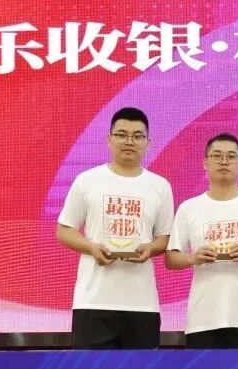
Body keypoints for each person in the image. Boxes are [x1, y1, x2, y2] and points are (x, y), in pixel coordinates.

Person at [56, 107, 174, 349]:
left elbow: (165, 238)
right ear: (108, 139)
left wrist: (150, 248)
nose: (129, 141)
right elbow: (64, 230)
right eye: (122, 135)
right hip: (93, 302)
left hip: (142, 304)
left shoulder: (160, 186)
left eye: (138, 136)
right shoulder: (87, 180)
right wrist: (92, 248)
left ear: (148, 143)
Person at [165, 134, 238, 348]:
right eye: (217, 156)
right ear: (205, 163)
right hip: (203, 319)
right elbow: (171, 258)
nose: (224, 162)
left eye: (231, 156)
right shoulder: (189, 208)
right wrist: (193, 258)